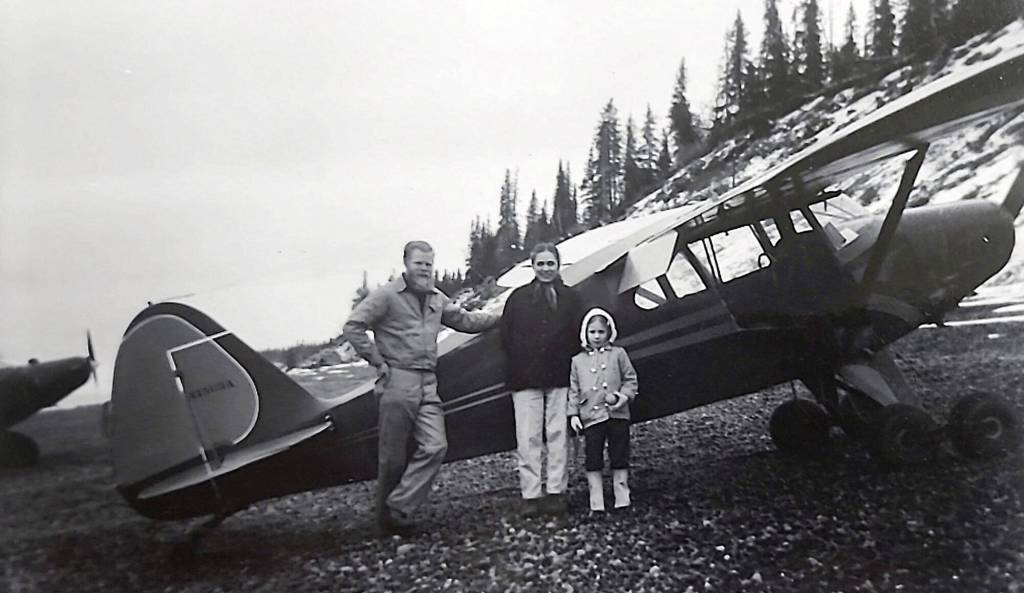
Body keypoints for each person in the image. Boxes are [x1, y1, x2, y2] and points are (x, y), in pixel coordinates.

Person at [342, 240, 500, 536]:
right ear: (406, 264)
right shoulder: (386, 296)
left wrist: (503, 316)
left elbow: (464, 320)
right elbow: (353, 325)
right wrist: (377, 361)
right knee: (392, 457)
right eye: (419, 264)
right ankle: (386, 524)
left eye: (429, 264)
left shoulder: (435, 298)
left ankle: (398, 506)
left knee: (436, 445)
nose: (425, 269)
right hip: (397, 380)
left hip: (428, 382)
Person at [500, 242, 583, 517]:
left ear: (558, 265)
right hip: (524, 377)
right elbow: (506, 337)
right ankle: (531, 495)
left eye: (551, 263)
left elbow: (578, 335)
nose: (546, 269)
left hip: (561, 375)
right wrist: (521, 363)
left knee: (559, 434)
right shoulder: (518, 298)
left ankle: (556, 492)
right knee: (528, 437)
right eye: (541, 264)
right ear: (532, 265)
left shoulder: (571, 297)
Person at [568, 308, 638, 515]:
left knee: (619, 453)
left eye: (601, 332)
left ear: (609, 332)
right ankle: (596, 500)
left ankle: (622, 496)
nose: (597, 336)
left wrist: (622, 397)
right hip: (591, 417)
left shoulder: (619, 354)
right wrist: (573, 414)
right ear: (585, 334)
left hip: (618, 414)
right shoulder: (577, 361)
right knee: (593, 456)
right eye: (592, 332)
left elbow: (630, 380)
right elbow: (574, 389)